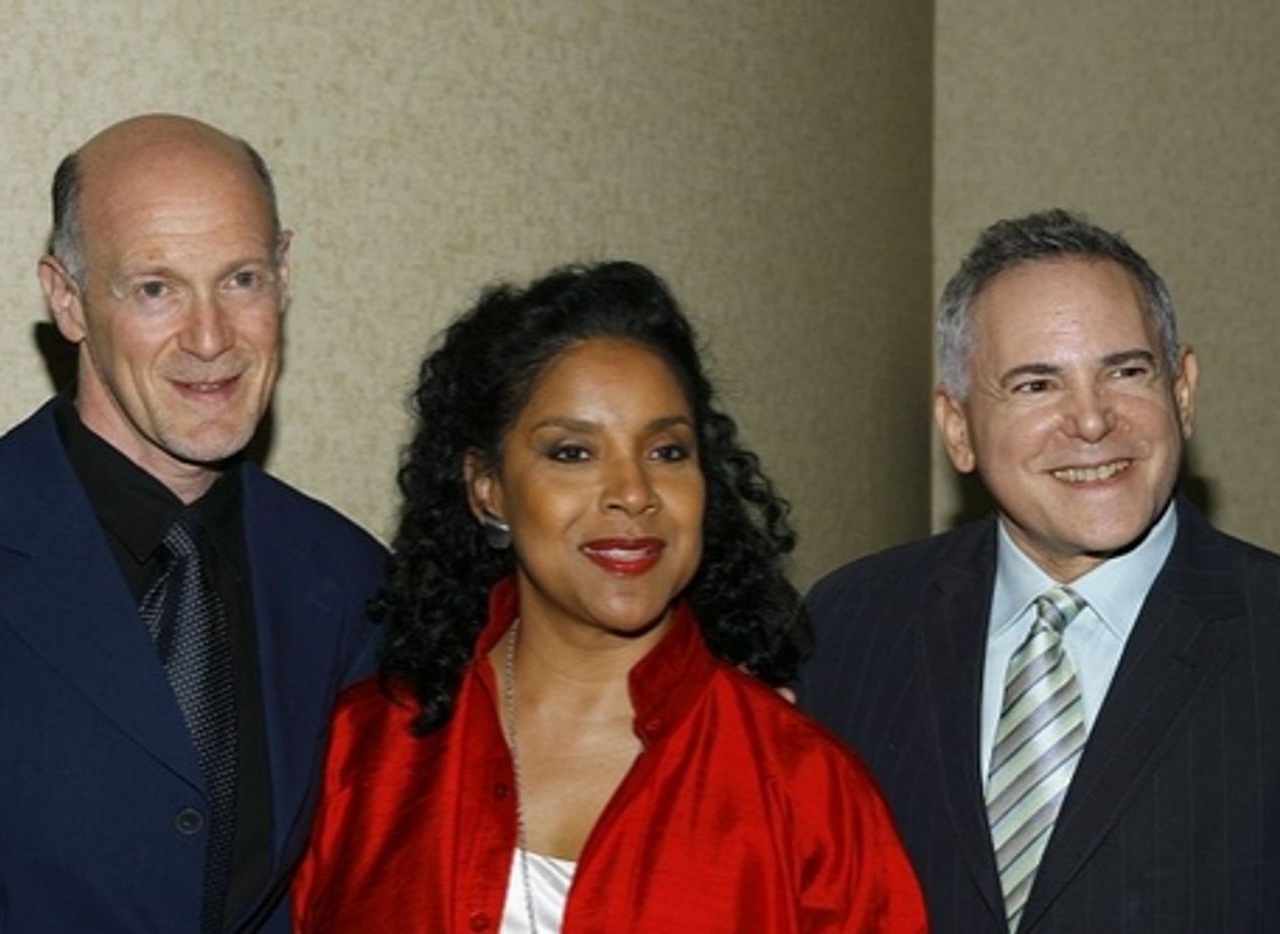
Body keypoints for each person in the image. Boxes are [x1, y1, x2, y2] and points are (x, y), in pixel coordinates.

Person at [291, 261, 927, 932]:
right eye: (573, 452)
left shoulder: (806, 787)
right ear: (488, 488)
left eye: (667, 452)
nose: (633, 492)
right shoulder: (363, 750)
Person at [0, 114, 386, 932]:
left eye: (241, 280)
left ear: (285, 274)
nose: (210, 338)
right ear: (68, 300)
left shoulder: (350, 580)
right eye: (156, 288)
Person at [800, 209, 1280, 933]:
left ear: (1182, 394)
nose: (1091, 421)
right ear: (958, 428)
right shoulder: (852, 624)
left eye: (1126, 371)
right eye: (1035, 385)